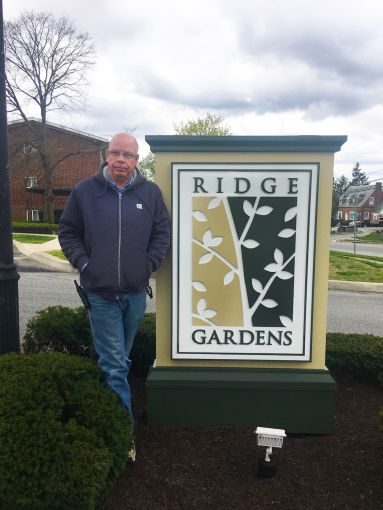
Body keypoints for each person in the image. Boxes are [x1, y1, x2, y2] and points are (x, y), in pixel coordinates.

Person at [58, 132, 170, 450]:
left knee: (117, 360)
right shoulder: (85, 192)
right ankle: (122, 436)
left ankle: (101, 410)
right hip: (100, 294)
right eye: (115, 153)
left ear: (137, 160)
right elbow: (68, 232)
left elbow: (162, 232)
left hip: (135, 294)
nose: (121, 159)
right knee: (115, 364)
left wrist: (148, 265)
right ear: (107, 156)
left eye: (128, 155)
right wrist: (84, 263)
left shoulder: (149, 194)